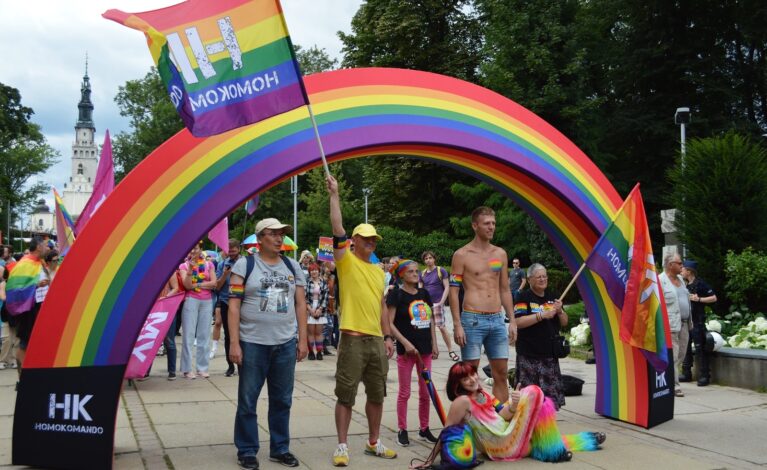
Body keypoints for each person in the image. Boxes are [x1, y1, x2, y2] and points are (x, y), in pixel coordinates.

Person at [326, 174, 397, 466]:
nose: (370, 242)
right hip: (353, 339)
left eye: (373, 239)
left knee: (377, 395)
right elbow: (337, 228)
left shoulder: (380, 271)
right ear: (354, 240)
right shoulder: (345, 261)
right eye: (365, 238)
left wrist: (388, 336)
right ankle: (342, 446)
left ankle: (373, 441)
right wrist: (335, 195)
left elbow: (381, 305)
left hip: (376, 341)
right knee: (346, 395)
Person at [228, 218, 308, 470]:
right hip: (252, 343)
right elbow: (233, 306)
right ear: (260, 238)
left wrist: (302, 339)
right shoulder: (244, 265)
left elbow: (300, 304)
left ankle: (280, 448)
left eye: (281, 234)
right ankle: (248, 450)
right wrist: (234, 343)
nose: (278, 238)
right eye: (273, 234)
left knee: (282, 399)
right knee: (248, 400)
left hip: (285, 343)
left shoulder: (292, 266)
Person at [442, 362, 604, 463]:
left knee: (541, 437)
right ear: (458, 385)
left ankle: (587, 439)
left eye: (473, 374)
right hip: (500, 446)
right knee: (534, 392)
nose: (472, 379)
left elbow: (503, 415)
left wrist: (514, 404)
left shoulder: (483, 394)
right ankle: (554, 452)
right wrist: (434, 459)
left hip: (507, 435)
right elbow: (447, 431)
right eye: (465, 379)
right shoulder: (462, 401)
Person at [449, 206, 517, 404]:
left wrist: (512, 320)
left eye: (494, 223)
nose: (491, 227)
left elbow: (505, 289)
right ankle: (472, 419)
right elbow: (453, 291)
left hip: (496, 319)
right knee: (470, 375)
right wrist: (457, 324)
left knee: (502, 373)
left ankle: (500, 419)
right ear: (475, 225)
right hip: (472, 320)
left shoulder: (500, 254)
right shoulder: (462, 255)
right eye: (487, 223)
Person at [386, 259, 439, 447]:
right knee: (405, 392)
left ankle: (424, 428)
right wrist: (405, 343)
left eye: (417, 271)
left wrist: (434, 343)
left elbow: (431, 319)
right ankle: (402, 428)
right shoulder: (396, 295)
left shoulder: (424, 293)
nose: (416, 274)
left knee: (426, 392)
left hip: (424, 349)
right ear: (402, 274)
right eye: (411, 272)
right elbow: (389, 323)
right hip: (406, 352)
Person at [513, 263, 569, 409]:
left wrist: (560, 311)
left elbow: (564, 323)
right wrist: (541, 315)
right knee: (528, 398)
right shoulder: (523, 297)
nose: (543, 279)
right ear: (530, 279)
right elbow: (518, 322)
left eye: (545, 276)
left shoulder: (553, 297)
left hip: (549, 355)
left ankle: (547, 424)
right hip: (529, 355)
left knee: (550, 399)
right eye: (539, 277)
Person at [6, 238, 49, 374]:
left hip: (40, 308)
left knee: (35, 343)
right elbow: (13, 289)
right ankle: (24, 376)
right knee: (24, 343)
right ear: (38, 247)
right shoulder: (24, 263)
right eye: (45, 245)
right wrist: (36, 285)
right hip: (29, 310)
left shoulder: (40, 263)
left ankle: (32, 373)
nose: (47, 248)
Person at [179, 243, 218, 379]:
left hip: (207, 301)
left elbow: (214, 283)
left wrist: (199, 284)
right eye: (191, 248)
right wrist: (190, 270)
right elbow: (187, 285)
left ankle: (202, 367)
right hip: (191, 300)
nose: (193, 251)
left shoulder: (208, 264)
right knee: (188, 335)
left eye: (195, 248)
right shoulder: (184, 266)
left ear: (200, 249)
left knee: (204, 335)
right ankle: (187, 369)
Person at [658, 253, 691, 397]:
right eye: (679, 263)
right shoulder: (660, 281)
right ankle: (674, 385)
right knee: (673, 356)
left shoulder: (681, 280)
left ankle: (669, 379)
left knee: (681, 355)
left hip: (684, 324)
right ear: (670, 265)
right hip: (670, 325)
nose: (682, 266)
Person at [680, 260, 717, 387]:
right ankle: (686, 373)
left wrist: (699, 299)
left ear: (689, 271)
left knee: (700, 348)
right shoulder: (684, 285)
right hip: (687, 321)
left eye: (683, 269)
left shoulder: (700, 284)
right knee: (686, 348)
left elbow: (713, 298)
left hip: (697, 321)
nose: (681, 271)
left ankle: (704, 375)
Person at [420, 251, 458, 362]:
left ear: (434, 259)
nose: (428, 260)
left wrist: (441, 302)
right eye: (426, 258)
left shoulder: (440, 270)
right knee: (429, 328)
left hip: (437, 302)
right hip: (426, 305)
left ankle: (451, 350)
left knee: (441, 327)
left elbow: (447, 287)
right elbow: (420, 289)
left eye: (430, 257)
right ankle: (434, 350)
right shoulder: (422, 273)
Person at [215, 239, 241, 377]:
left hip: (242, 303)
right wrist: (225, 274)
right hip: (226, 301)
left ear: (238, 249)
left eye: (233, 250)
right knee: (229, 335)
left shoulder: (245, 263)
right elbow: (217, 287)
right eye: (229, 250)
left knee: (243, 334)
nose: (231, 252)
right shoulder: (221, 264)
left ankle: (243, 364)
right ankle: (230, 365)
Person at [305, 263, 329, 360]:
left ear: (319, 271)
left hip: (320, 309)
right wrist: (310, 309)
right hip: (309, 308)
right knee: (310, 333)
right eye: (312, 270)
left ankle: (319, 352)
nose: (314, 272)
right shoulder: (306, 282)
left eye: (315, 270)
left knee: (319, 333)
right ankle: (311, 352)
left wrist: (320, 309)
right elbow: (304, 297)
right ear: (309, 272)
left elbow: (325, 298)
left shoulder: (323, 283)